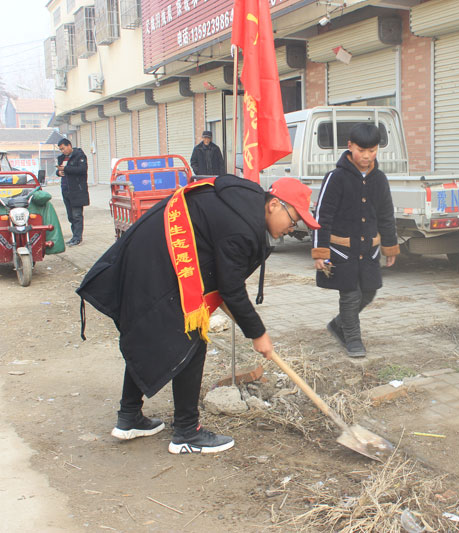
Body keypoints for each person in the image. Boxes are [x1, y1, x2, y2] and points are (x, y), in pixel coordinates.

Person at [76, 175, 320, 454]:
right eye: (293, 219)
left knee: (149, 332)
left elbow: (222, 276)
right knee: (191, 340)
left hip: (151, 256)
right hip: (155, 263)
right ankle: (186, 432)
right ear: (275, 205)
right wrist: (257, 333)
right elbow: (231, 288)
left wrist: (245, 320)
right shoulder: (242, 225)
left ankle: (129, 417)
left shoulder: (245, 204)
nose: (293, 228)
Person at [312, 123, 399, 358]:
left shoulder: (379, 179)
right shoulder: (335, 177)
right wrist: (321, 252)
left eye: (372, 150)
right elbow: (322, 216)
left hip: (369, 250)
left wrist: (390, 246)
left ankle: (338, 324)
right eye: (362, 150)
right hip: (341, 251)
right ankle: (352, 338)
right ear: (350, 146)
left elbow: (386, 215)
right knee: (350, 294)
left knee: (369, 292)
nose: (367, 156)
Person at [56, 138, 88, 246]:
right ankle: (74, 236)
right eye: (60, 149)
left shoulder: (79, 156)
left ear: (69, 145)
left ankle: (77, 238)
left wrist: (65, 169)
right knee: (70, 215)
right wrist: (59, 172)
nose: (62, 151)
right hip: (65, 189)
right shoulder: (62, 158)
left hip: (76, 190)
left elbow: (82, 170)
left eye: (63, 148)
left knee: (77, 215)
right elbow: (60, 170)